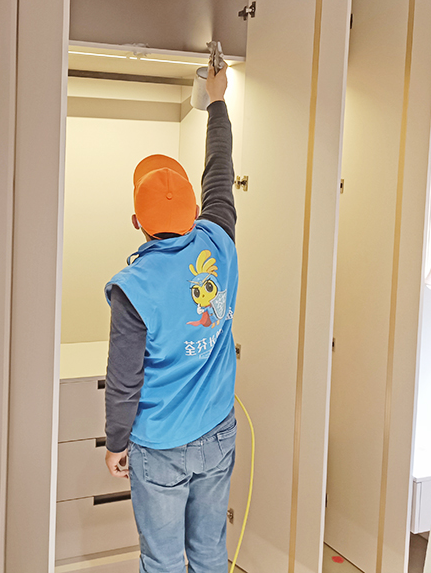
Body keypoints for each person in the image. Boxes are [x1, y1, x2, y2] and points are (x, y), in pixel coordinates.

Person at [103, 65, 238, 573]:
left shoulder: (133, 288)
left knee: (162, 562)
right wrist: (216, 101)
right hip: (218, 433)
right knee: (209, 553)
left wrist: (116, 443)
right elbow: (220, 169)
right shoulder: (218, 241)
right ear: (197, 208)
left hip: (158, 446)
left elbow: (124, 381)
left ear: (136, 222)